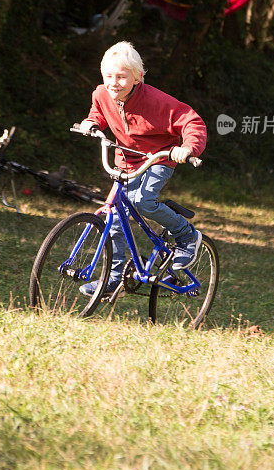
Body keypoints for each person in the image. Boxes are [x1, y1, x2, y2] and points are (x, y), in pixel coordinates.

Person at [78, 41, 207, 298]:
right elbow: (99, 113)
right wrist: (91, 123)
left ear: (137, 77)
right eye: (108, 76)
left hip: (159, 158)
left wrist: (188, 147)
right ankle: (113, 279)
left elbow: (191, 121)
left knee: (143, 201)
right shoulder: (102, 94)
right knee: (114, 218)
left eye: (122, 77)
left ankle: (186, 236)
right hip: (125, 160)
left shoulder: (157, 101)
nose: (114, 83)